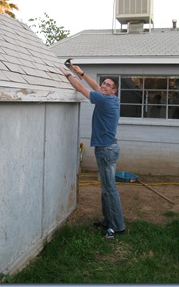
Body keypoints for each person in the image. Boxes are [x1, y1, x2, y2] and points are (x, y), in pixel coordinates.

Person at [59, 60, 125, 240]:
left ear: (114, 91)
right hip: (109, 148)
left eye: (108, 85)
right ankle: (108, 220)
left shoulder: (104, 100)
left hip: (105, 150)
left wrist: (67, 74)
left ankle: (116, 227)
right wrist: (80, 72)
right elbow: (95, 85)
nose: (104, 86)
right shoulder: (111, 99)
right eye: (104, 83)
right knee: (106, 188)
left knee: (109, 189)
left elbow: (82, 89)